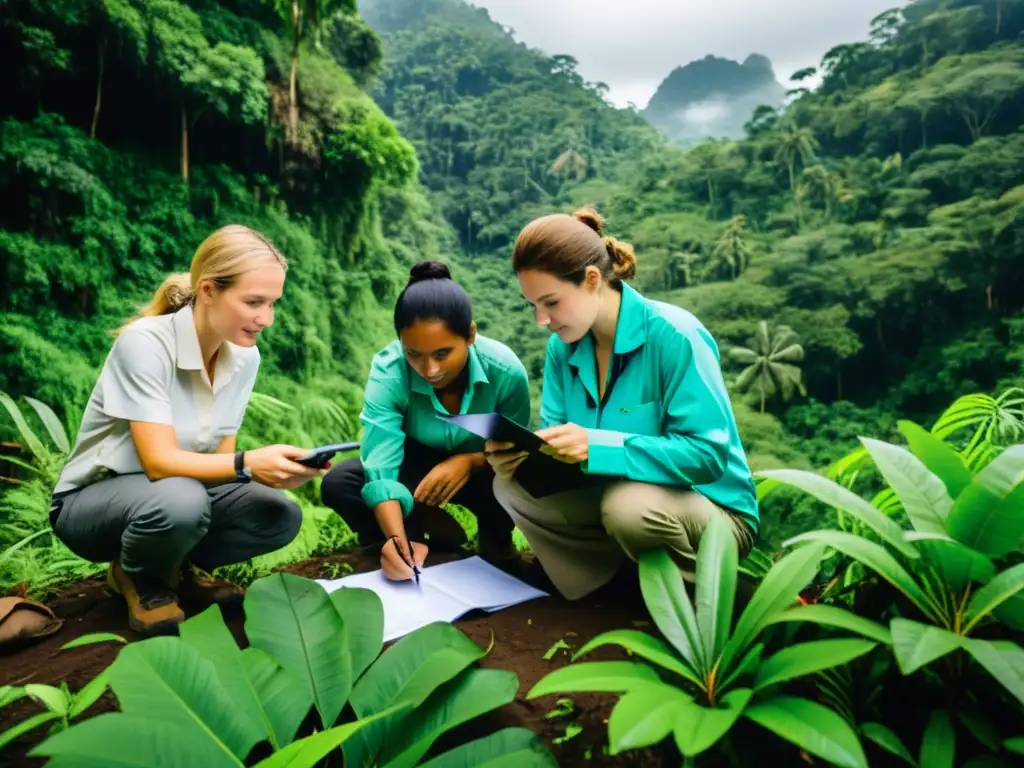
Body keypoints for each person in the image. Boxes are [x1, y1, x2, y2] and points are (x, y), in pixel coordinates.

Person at [49, 225, 323, 635]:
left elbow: (220, 463)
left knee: (278, 513)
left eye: (272, 304)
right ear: (209, 291)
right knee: (182, 499)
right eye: (253, 302)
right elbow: (158, 463)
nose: (266, 319)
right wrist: (249, 462)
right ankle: (137, 576)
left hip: (176, 495)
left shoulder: (244, 356)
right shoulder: (145, 344)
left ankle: (178, 567)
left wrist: (273, 470)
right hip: (91, 503)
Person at [485, 208, 759, 600]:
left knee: (628, 507)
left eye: (551, 302)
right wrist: (525, 456)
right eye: (533, 306)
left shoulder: (675, 335)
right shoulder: (563, 349)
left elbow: (707, 456)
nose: (541, 320)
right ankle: (609, 585)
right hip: (616, 499)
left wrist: (598, 445)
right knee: (511, 486)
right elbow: (557, 436)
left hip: (712, 512)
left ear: (592, 280)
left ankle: (726, 602)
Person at [321, 260, 531, 581]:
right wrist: (397, 538)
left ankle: (497, 543)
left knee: (515, 479)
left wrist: (470, 461)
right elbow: (381, 464)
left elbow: (516, 450)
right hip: (414, 463)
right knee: (342, 482)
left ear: (470, 335)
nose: (429, 369)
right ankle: (411, 539)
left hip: (486, 468)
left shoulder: (505, 371)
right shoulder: (389, 371)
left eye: (443, 354)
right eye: (413, 354)